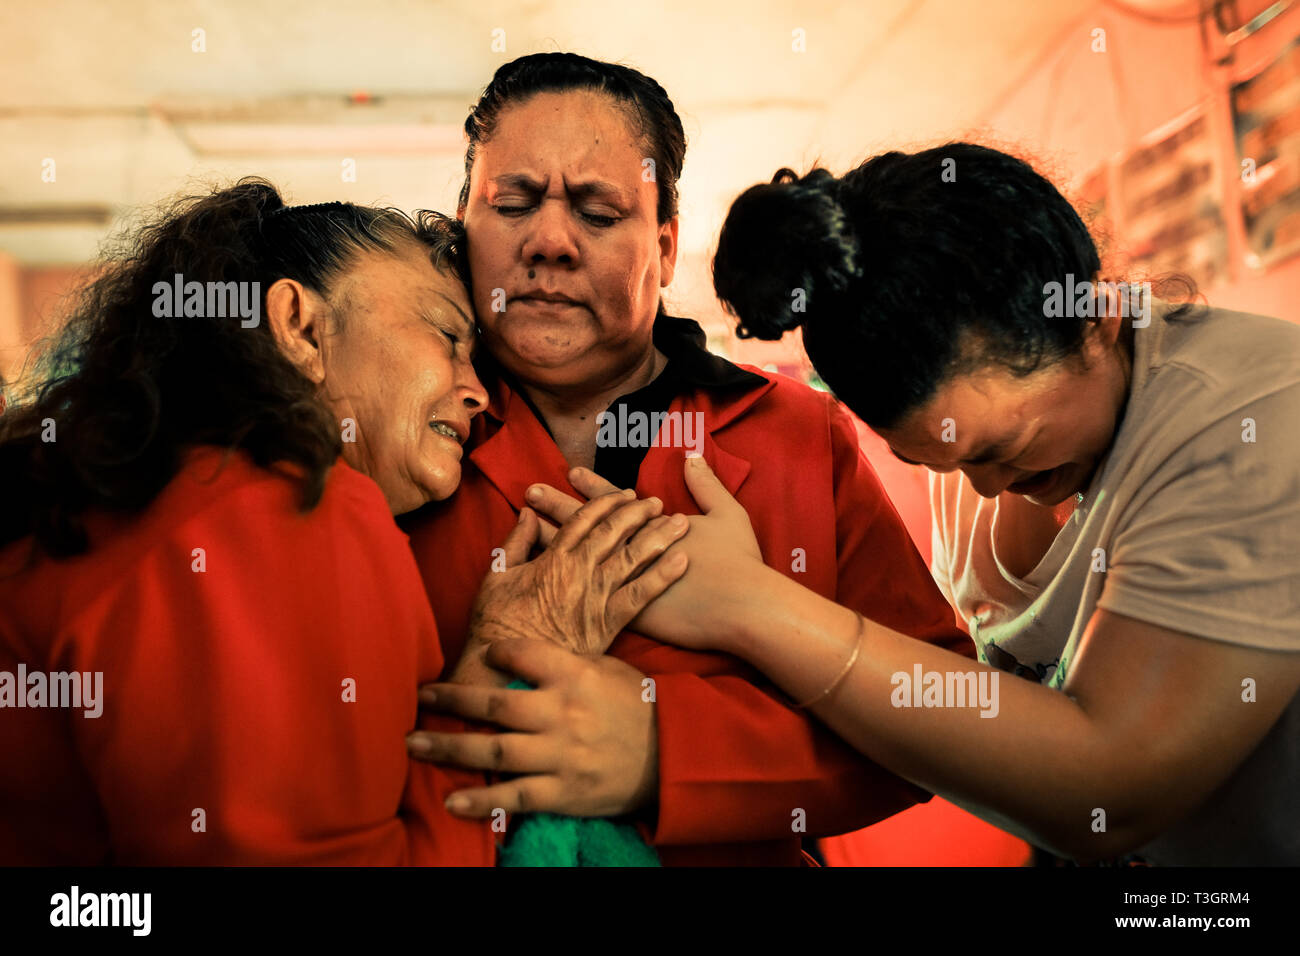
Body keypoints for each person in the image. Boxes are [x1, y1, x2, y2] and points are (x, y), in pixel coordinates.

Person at [519, 143, 1300, 864]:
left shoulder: (1255, 420)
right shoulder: (974, 448)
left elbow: (1109, 793)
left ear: (1094, 319)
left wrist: (751, 609)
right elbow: (961, 729)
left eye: (1002, 448)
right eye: (935, 461)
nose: (983, 488)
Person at [0, 179, 686, 864]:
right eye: (447, 334)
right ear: (301, 328)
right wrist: (508, 650)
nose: (476, 391)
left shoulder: (168, 492)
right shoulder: (283, 504)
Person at [402, 52, 975, 867]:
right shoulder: (393, 435)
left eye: (599, 212)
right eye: (514, 203)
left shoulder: (797, 433)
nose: (550, 242)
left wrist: (669, 752)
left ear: (665, 249)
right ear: (463, 225)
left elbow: (942, 724)